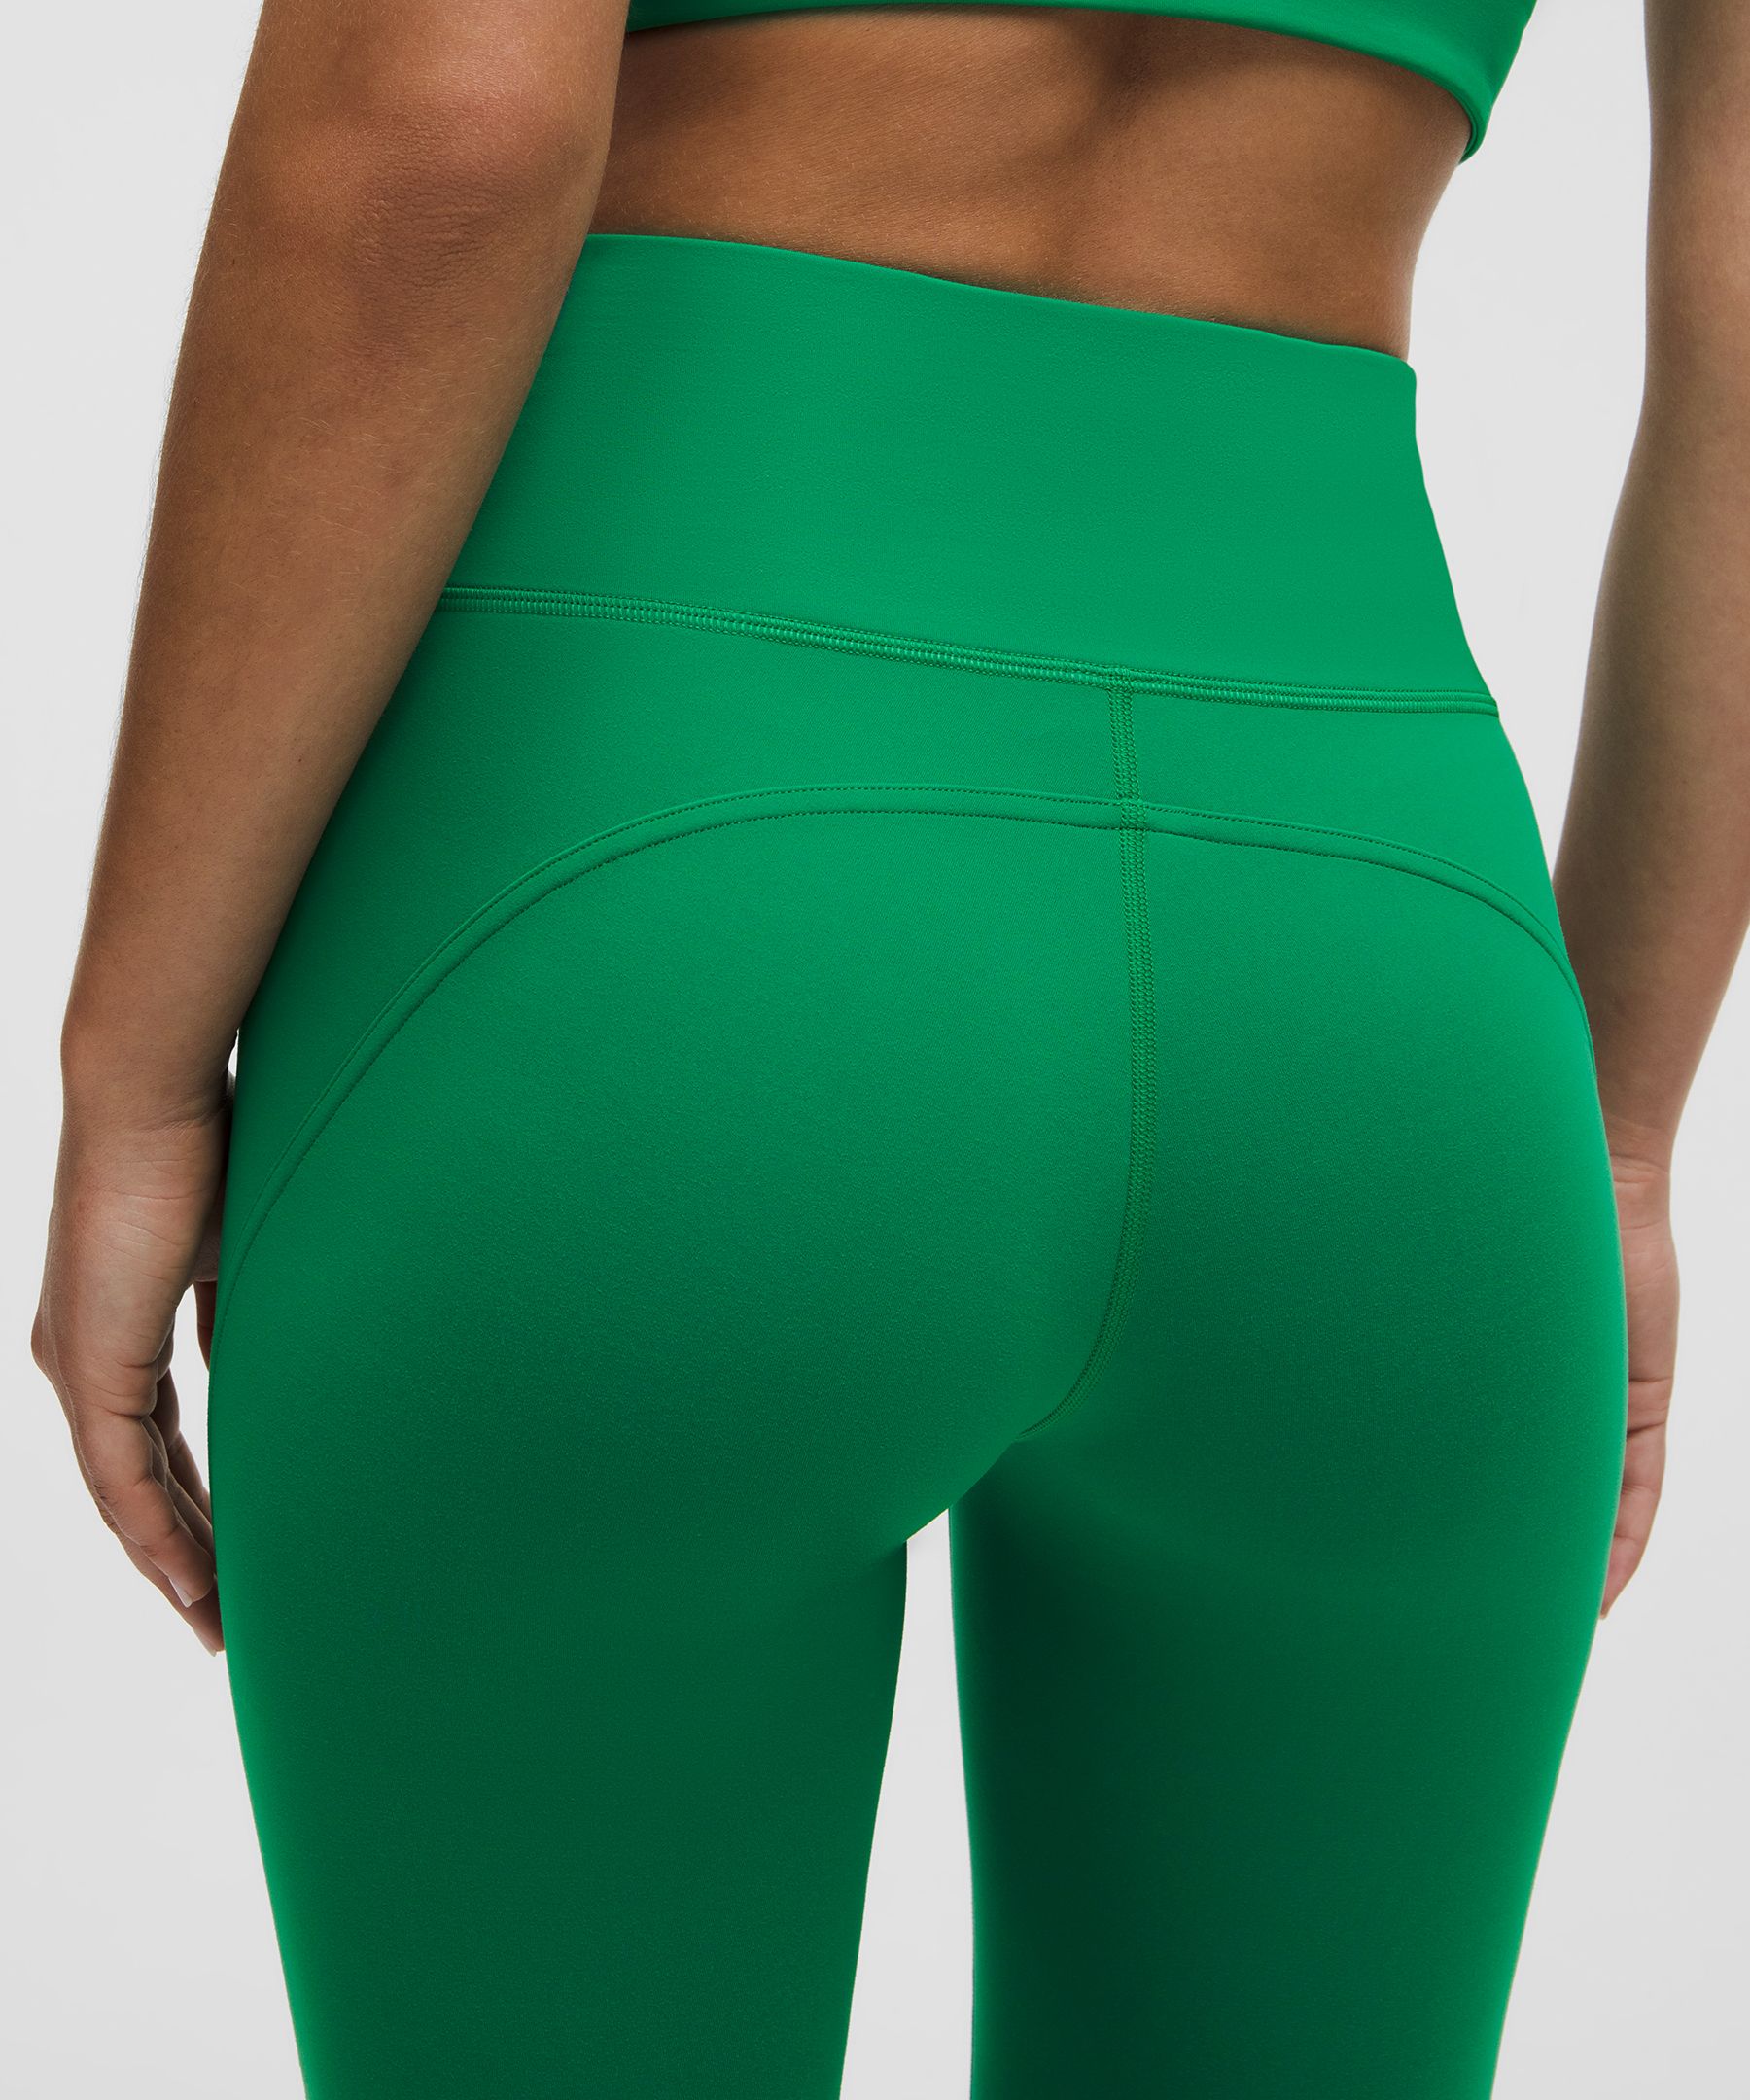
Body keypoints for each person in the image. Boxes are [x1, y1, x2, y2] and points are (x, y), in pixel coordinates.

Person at [30, 2, 1748, 2093]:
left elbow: (442, 122)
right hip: (1390, 968)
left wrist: (135, 1068)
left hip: (643, 894)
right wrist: (1619, 1135)